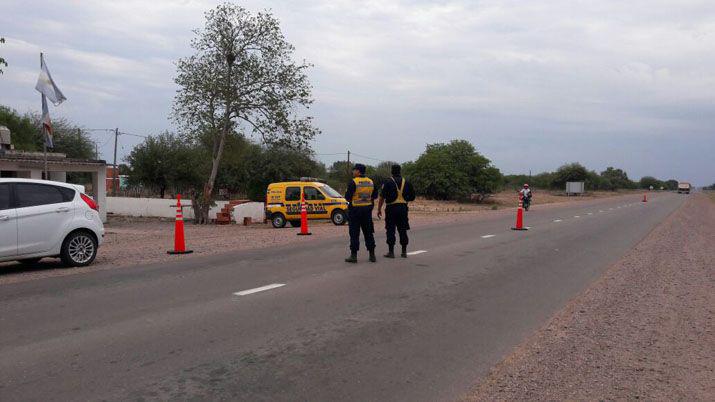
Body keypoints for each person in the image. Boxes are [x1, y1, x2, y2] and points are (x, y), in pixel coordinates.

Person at [377, 164, 415, 258]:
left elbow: (382, 197)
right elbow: (413, 197)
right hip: (403, 209)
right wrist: (405, 200)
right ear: (400, 171)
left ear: (392, 171)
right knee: (402, 229)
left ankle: (391, 252)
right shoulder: (407, 182)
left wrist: (379, 209)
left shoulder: (388, 182)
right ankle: (404, 252)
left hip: (391, 209)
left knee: (390, 229)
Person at [344, 163, 379, 263]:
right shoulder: (371, 182)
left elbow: (347, 197)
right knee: (368, 233)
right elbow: (375, 195)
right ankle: (372, 255)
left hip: (355, 211)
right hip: (367, 211)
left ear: (358, 171)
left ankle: (354, 256)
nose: (353, 171)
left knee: (354, 233)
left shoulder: (353, 182)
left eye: (354, 170)